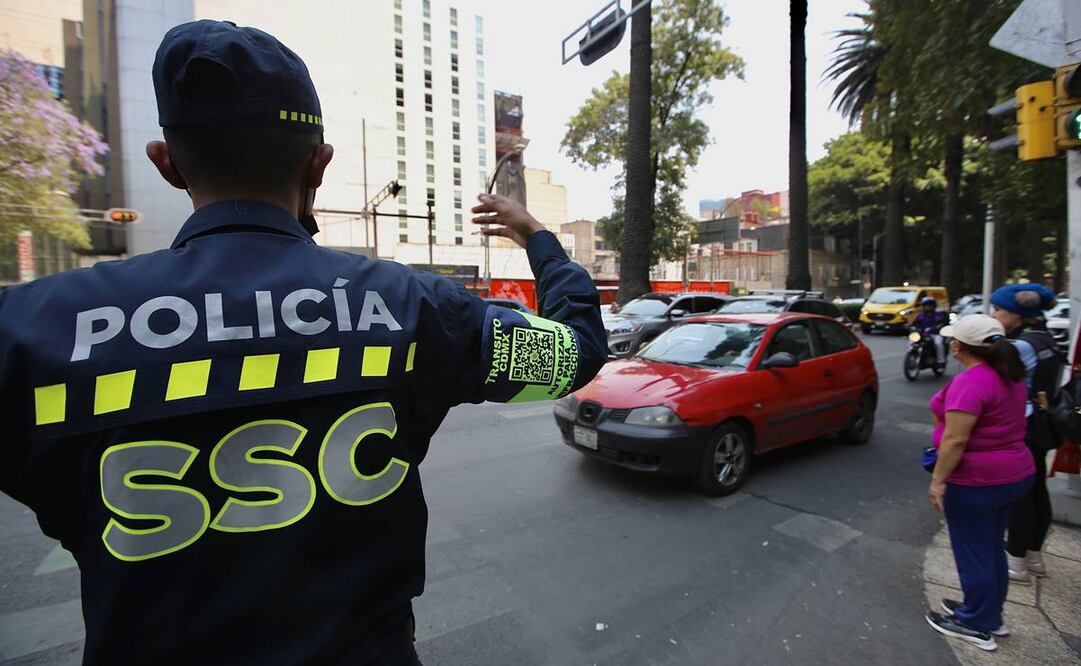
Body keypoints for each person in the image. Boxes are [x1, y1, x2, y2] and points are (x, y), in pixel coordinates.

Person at [0, 21, 606, 665]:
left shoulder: (33, 329)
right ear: (318, 164)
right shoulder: (413, 308)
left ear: (168, 163)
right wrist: (537, 235)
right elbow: (576, 353)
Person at [924, 315, 1035, 652]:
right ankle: (989, 613)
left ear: (957, 347)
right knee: (989, 548)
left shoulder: (972, 383)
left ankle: (977, 622)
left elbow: (956, 440)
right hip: (1014, 474)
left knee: (974, 552)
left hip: (978, 481)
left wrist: (938, 482)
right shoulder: (1010, 376)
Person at [989, 284, 1062, 584]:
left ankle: (1016, 561)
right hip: (1045, 425)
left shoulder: (1019, 347)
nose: (993, 314)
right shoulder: (1046, 339)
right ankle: (1034, 556)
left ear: (1017, 314)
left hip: (1024, 427)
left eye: (998, 309)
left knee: (1021, 496)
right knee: (1037, 491)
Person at [912, 296, 948, 368]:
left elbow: (943, 323)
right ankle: (913, 356)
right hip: (923, 334)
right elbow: (915, 323)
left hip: (935, 334)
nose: (927, 307)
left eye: (929, 305)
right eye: (925, 305)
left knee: (938, 343)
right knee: (912, 342)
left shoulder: (939, 314)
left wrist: (937, 327)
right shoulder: (920, 315)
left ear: (933, 306)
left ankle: (941, 361)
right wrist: (912, 327)